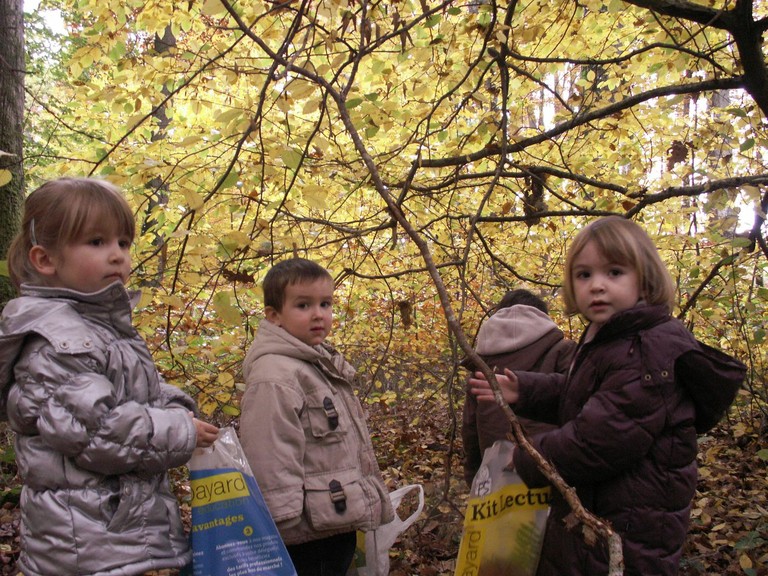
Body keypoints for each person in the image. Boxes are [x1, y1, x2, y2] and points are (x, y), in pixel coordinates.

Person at [468, 216, 745, 576]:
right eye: (584, 275)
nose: (597, 286)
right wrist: (527, 389)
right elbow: (581, 395)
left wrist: (527, 459)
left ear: (644, 278)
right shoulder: (608, 338)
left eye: (614, 273)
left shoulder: (647, 348)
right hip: (602, 511)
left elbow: (599, 439)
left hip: (632, 525)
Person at [0, 177, 220, 576]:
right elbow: (98, 433)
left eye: (123, 242)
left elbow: (127, 393)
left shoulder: (101, 327)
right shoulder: (56, 341)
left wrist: (174, 404)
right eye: (97, 242)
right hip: (88, 546)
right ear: (45, 260)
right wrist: (178, 430)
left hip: (121, 535)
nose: (118, 256)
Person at [239, 258, 394, 576]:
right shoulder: (275, 375)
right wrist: (283, 528)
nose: (318, 314)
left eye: (325, 304)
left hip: (332, 520)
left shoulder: (317, 363)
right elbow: (270, 455)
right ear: (274, 316)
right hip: (304, 535)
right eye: (303, 305)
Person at [460, 289, 575, 486]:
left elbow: (470, 430)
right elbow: (578, 405)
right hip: (552, 472)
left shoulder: (483, 367)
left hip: (497, 477)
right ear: (542, 317)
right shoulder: (564, 350)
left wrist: (474, 477)